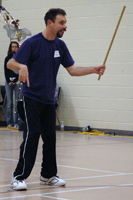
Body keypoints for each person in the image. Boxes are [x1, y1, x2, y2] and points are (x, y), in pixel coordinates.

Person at [7, 8, 106, 191]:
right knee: (32, 135)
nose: (65, 26)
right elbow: (10, 63)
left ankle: (48, 175)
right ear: (50, 23)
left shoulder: (60, 46)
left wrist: (93, 69)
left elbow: (73, 70)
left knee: (50, 138)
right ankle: (19, 176)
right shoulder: (32, 43)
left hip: (48, 101)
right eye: (62, 23)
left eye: (65, 23)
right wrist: (21, 66)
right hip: (31, 99)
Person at [4, 41, 19, 128]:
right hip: (8, 82)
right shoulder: (7, 58)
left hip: (16, 82)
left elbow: (18, 71)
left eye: (15, 47)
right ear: (10, 48)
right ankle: (9, 122)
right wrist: (9, 81)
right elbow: (6, 71)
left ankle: (16, 122)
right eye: (12, 47)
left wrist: (15, 80)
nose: (14, 48)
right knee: (10, 103)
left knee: (16, 102)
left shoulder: (19, 58)